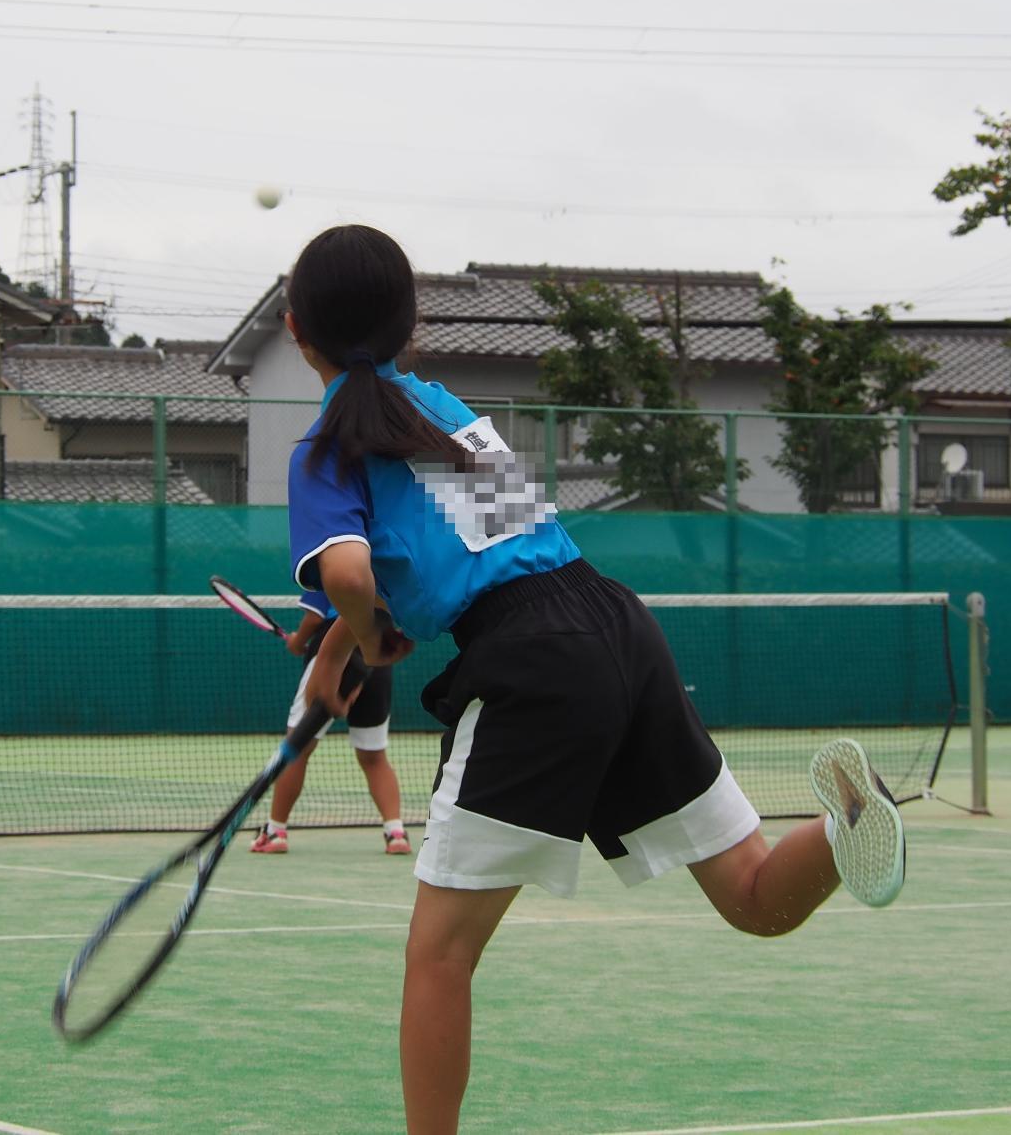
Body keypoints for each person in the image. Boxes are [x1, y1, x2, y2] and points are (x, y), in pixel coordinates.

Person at [281, 225, 904, 1135]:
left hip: (531, 662)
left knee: (440, 957)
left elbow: (351, 576)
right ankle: (854, 813)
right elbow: (480, 550)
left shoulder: (324, 449)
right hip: (614, 623)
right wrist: (346, 641)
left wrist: (368, 632)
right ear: (412, 327)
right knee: (756, 900)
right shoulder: (449, 413)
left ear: (297, 330)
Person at [251, 594, 413, 856]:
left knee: (297, 750)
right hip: (378, 657)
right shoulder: (385, 569)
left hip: (335, 651)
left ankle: (275, 831)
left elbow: (315, 616)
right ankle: (395, 832)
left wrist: (297, 641)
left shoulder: (333, 557)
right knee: (374, 756)